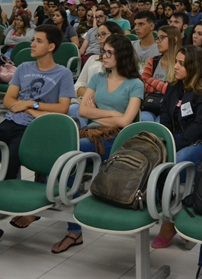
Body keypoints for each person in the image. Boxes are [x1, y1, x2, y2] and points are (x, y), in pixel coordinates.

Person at [0, 25, 76, 253]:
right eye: (33, 40)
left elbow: (63, 108)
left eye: (38, 41)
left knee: (9, 164)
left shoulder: (62, 74)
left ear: (51, 46)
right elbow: (8, 100)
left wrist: (30, 104)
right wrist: (30, 108)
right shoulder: (24, 67)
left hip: (33, 130)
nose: (32, 44)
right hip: (9, 123)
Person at [52, 34, 144, 254]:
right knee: (65, 151)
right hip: (93, 133)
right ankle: (65, 213)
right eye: (104, 51)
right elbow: (84, 110)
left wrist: (103, 115)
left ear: (121, 56)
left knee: (72, 152)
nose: (104, 56)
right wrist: (112, 113)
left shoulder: (135, 84)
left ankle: (73, 228)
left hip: (118, 140)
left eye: (109, 52)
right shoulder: (98, 78)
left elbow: (126, 122)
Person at [155, 45, 202, 248]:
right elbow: (165, 115)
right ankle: (166, 212)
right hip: (177, 137)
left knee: (176, 160)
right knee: (156, 157)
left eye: (180, 63)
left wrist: (173, 145)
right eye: (175, 61)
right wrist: (167, 138)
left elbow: (200, 127)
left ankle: (174, 221)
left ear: (194, 66)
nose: (175, 67)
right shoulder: (174, 86)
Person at [68, 21, 123, 127]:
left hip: (107, 105)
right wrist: (89, 98)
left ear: (115, 35)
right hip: (85, 101)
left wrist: (97, 99)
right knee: (73, 109)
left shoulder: (123, 62)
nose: (99, 38)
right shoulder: (93, 59)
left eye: (103, 34)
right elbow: (78, 85)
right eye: (98, 35)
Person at [140, 25, 182, 122]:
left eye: (162, 37)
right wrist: (163, 87)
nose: (158, 41)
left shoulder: (181, 64)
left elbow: (176, 91)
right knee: (144, 119)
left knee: (161, 122)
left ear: (174, 39)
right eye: (157, 38)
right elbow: (143, 85)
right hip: (150, 104)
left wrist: (152, 81)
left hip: (170, 108)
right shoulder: (153, 61)